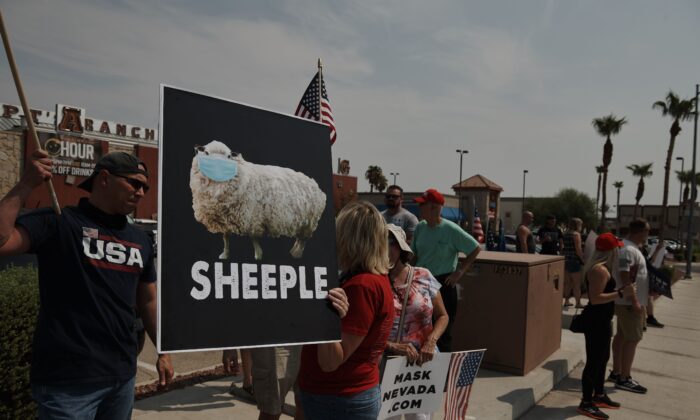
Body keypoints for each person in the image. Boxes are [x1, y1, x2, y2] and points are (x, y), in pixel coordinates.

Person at [0, 150, 174, 418]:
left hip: (122, 377)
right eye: (134, 183)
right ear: (104, 178)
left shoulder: (140, 240)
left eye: (145, 187)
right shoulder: (59, 222)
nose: (141, 192)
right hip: (68, 384)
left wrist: (163, 350)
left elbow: (148, 300)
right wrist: (26, 184)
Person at [297, 201, 393, 419]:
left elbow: (330, 362)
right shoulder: (371, 279)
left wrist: (325, 317)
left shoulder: (362, 285)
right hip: (343, 395)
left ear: (350, 237)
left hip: (338, 398)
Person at [384, 224, 448, 420]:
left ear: (402, 247)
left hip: (422, 362)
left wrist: (431, 341)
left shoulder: (423, 275)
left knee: (420, 418)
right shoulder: (373, 279)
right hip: (387, 363)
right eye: (382, 241)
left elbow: (443, 316)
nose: (386, 247)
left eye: (392, 242)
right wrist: (392, 346)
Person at [411, 188, 480, 352]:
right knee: (419, 328)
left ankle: (443, 373)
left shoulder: (451, 229)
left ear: (435, 208)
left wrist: (459, 272)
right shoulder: (420, 227)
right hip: (421, 283)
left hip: (443, 284)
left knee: (442, 333)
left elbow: (475, 248)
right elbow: (414, 256)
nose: (419, 209)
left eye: (423, 205)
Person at [577, 233, 635, 420]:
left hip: (602, 320)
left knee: (603, 358)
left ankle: (599, 395)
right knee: (594, 361)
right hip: (595, 322)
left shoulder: (605, 268)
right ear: (610, 251)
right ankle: (586, 402)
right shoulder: (599, 270)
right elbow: (595, 299)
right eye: (616, 247)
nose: (619, 250)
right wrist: (620, 293)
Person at [609, 219, 650, 394]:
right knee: (633, 339)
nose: (648, 235)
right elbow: (625, 274)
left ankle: (617, 372)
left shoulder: (628, 247)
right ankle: (624, 378)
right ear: (640, 231)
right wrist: (635, 301)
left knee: (622, 336)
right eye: (647, 231)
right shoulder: (627, 249)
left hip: (628, 301)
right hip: (629, 303)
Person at [563, 218, 585, 308]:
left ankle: (566, 301)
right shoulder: (576, 234)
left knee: (567, 283)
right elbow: (578, 250)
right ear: (577, 225)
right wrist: (583, 260)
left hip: (566, 260)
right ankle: (578, 303)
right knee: (577, 284)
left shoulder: (566, 234)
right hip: (574, 261)